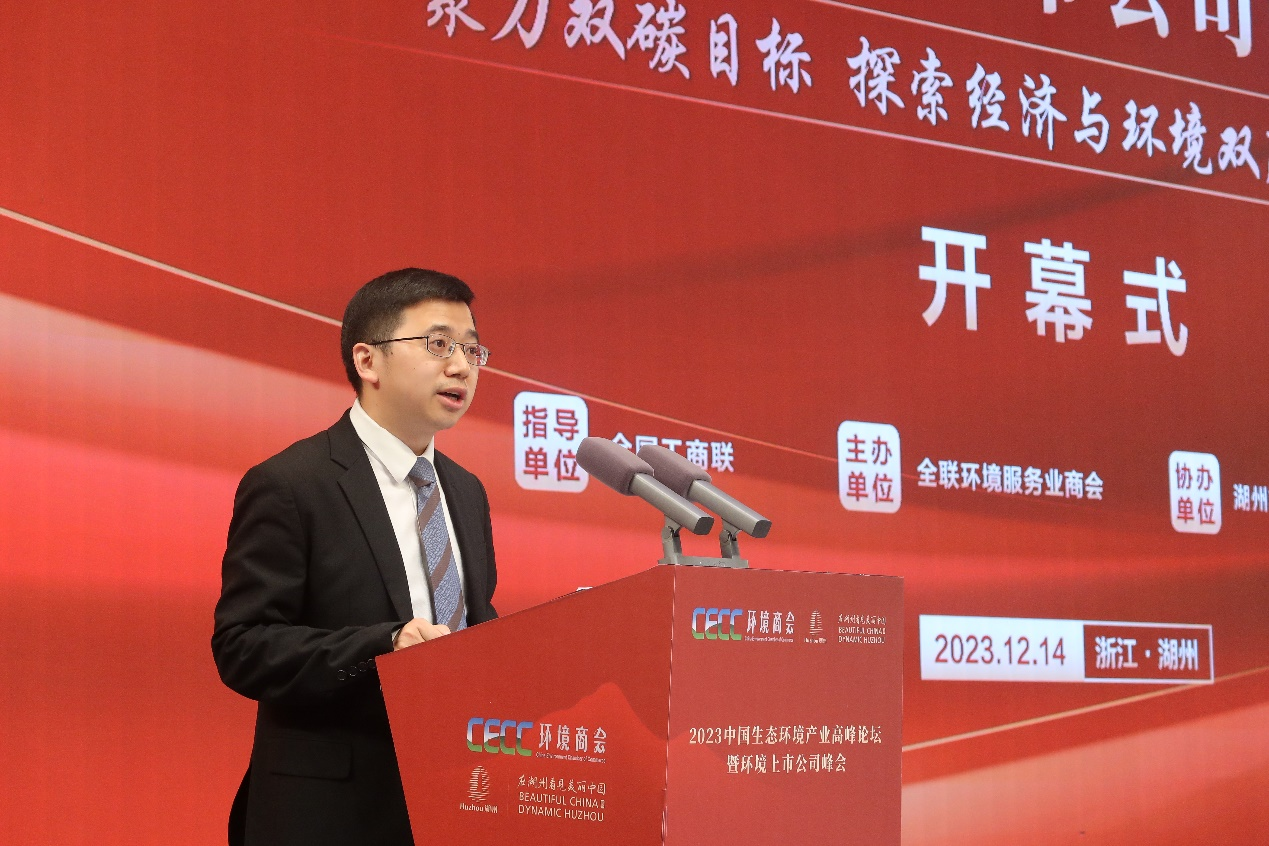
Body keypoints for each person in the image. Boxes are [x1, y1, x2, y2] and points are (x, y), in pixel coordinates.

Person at [212, 268, 498, 846]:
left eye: (472, 349)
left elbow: (474, 622)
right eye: (438, 344)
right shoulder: (292, 483)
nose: (462, 367)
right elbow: (243, 647)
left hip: (455, 798)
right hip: (331, 812)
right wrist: (384, 647)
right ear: (367, 361)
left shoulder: (466, 491)